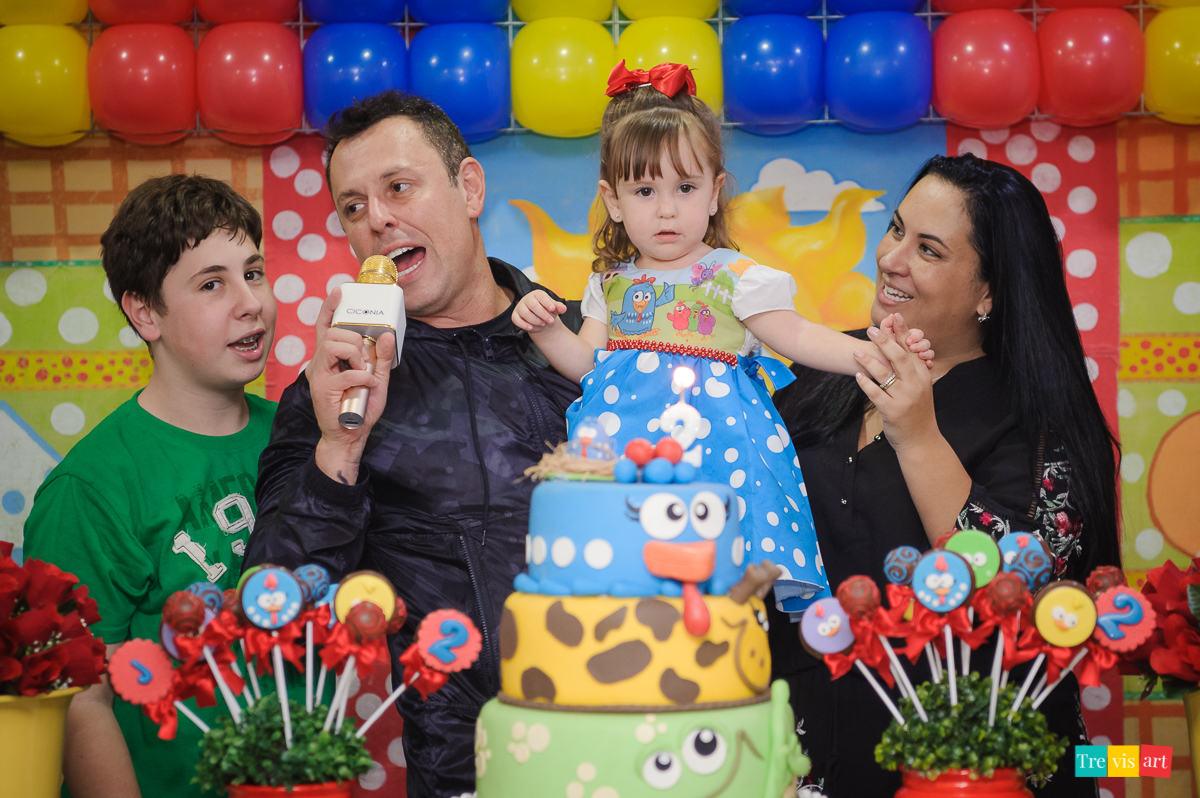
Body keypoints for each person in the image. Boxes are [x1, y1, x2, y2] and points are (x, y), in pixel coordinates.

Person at [244, 91, 583, 798]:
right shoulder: (329, 394)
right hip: (464, 768)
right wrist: (340, 450)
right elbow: (274, 616)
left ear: (469, 188)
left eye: (398, 187)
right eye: (354, 207)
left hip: (637, 736)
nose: (378, 221)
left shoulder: (590, 345)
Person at [511, 61, 932, 613]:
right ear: (613, 200)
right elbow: (588, 362)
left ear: (714, 193)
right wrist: (545, 330)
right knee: (629, 587)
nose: (666, 209)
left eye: (684, 187)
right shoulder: (608, 284)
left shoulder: (734, 276)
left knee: (717, 595)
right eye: (643, 190)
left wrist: (874, 354)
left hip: (719, 452)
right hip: (623, 453)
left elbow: (798, 335)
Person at [769, 153, 1120, 797]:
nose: (892, 259)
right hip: (808, 764)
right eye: (897, 229)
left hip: (985, 775)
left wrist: (918, 435)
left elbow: (1018, 594)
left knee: (1136, 764)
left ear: (990, 290)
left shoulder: (1041, 423)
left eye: (928, 249)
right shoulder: (823, 371)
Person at [23, 174, 278, 798]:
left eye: (253, 272)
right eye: (211, 284)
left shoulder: (297, 435)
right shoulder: (93, 486)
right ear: (144, 313)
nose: (250, 303)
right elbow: (79, 697)